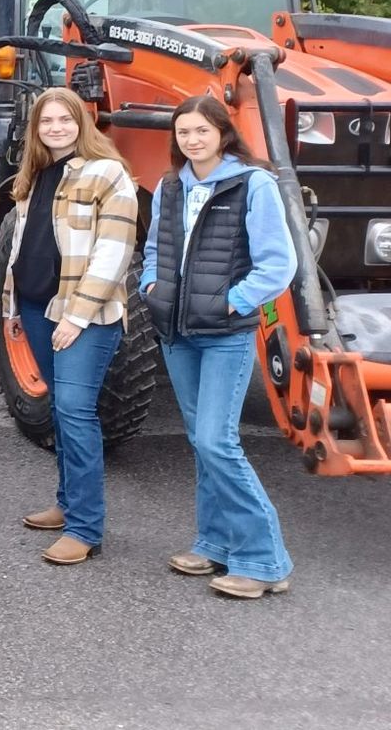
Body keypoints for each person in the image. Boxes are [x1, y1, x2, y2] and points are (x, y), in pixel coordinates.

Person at [141, 95, 296, 598]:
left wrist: (234, 302)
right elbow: (154, 249)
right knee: (200, 440)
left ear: (222, 133)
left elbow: (279, 262)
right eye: (183, 132)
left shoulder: (253, 184)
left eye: (201, 131)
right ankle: (214, 543)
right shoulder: (169, 186)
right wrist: (152, 286)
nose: (192, 140)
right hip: (177, 331)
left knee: (216, 441)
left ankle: (263, 559)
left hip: (225, 334)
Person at [0, 87, 139, 566]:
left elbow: (114, 252)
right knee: (60, 407)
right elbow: (23, 244)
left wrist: (77, 315)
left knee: (77, 411)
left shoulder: (109, 173)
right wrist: (12, 306)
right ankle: (65, 502)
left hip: (86, 314)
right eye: (46, 121)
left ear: (83, 122)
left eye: (65, 119)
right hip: (37, 307)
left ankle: (85, 526)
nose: (55, 128)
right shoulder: (36, 173)